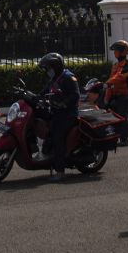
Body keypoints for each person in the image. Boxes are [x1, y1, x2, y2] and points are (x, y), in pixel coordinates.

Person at [38, 52, 79, 182]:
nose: (47, 71)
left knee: (57, 137)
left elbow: (75, 95)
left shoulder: (68, 77)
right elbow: (44, 92)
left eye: (49, 68)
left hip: (68, 114)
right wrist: (33, 97)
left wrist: (64, 103)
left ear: (55, 66)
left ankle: (60, 172)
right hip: (56, 112)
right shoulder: (54, 78)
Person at [104, 40, 128, 144]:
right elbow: (111, 81)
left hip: (126, 94)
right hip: (116, 94)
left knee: (122, 115)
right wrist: (106, 98)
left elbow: (119, 77)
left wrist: (107, 83)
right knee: (107, 109)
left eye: (116, 50)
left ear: (122, 51)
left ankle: (124, 139)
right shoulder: (115, 65)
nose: (114, 53)